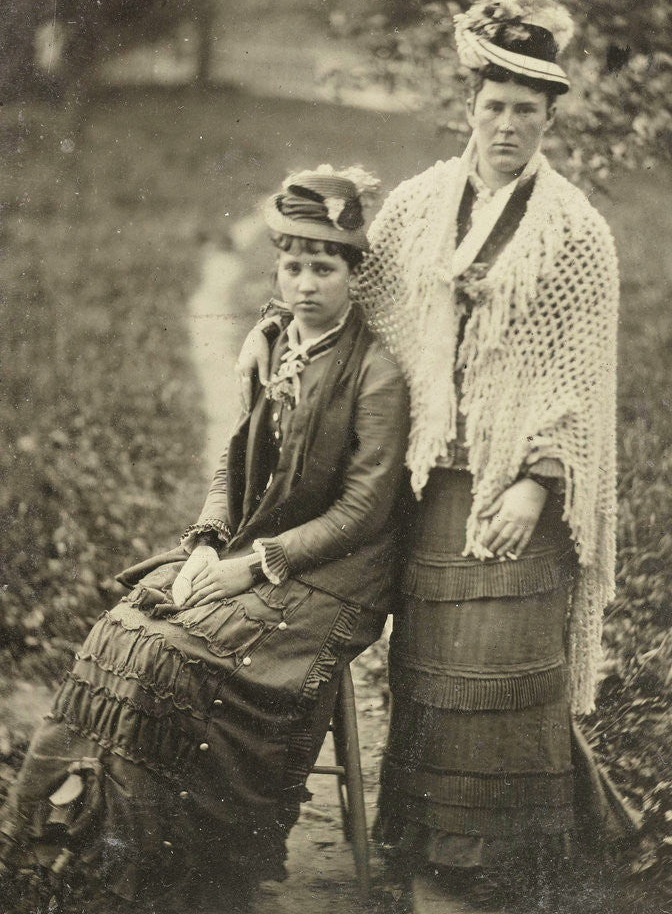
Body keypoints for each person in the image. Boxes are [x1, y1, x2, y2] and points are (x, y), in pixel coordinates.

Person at [237, 0, 639, 908]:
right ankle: (435, 849)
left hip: (514, 494)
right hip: (427, 483)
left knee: (506, 674)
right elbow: (344, 292)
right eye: (494, 106)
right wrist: (272, 325)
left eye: (526, 111)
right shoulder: (419, 206)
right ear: (470, 107)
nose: (507, 126)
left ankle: (503, 857)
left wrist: (535, 484)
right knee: (433, 675)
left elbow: (576, 382)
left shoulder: (576, 232)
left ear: (549, 119)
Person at [0, 166, 410, 911]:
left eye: (324, 268)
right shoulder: (276, 345)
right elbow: (235, 460)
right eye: (293, 266)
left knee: (179, 656)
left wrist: (251, 568)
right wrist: (204, 543)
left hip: (336, 574)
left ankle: (200, 864)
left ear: (354, 274)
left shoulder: (374, 374)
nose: (306, 284)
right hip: (255, 546)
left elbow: (363, 511)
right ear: (276, 270)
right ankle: (92, 836)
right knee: (124, 631)